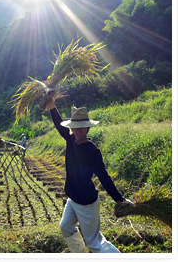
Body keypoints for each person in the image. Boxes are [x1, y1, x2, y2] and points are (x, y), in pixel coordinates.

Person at [48, 101, 134, 253]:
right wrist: (51, 106)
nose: (77, 132)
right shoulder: (70, 140)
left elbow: (104, 178)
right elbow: (58, 124)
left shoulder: (92, 151)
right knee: (66, 227)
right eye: (74, 128)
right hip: (73, 199)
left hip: (86, 203)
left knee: (94, 242)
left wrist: (120, 200)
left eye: (81, 128)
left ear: (87, 128)